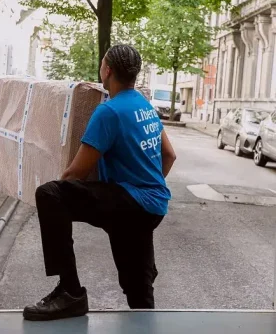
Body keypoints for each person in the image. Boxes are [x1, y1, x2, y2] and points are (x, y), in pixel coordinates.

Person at [23, 44, 177, 321]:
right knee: (137, 291)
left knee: (49, 194)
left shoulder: (109, 112)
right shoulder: (144, 104)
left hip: (131, 202)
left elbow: (74, 176)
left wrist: (59, 200)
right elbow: (169, 155)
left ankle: (69, 292)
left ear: (107, 70)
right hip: (152, 206)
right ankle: (143, 304)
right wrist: (145, 187)